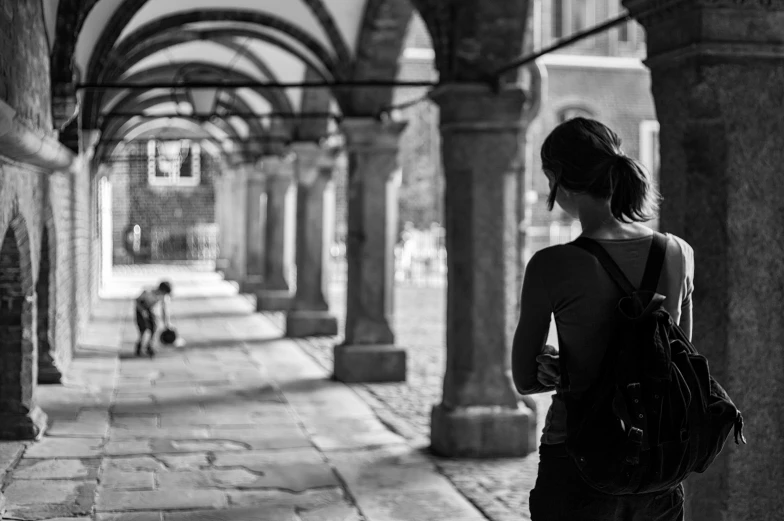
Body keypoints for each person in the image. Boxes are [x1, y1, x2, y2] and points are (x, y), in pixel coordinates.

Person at [512, 117, 693, 521]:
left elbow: (524, 378)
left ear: (557, 178)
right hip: (657, 458)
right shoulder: (677, 253)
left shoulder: (550, 265)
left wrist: (560, 369)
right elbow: (676, 357)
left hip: (577, 455)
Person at [134, 280, 172, 358]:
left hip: (149, 309)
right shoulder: (148, 291)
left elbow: (164, 310)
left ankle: (149, 345)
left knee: (154, 326)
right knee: (143, 328)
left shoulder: (164, 297)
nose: (164, 295)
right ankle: (139, 345)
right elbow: (137, 301)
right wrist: (142, 311)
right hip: (140, 309)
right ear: (161, 290)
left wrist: (167, 323)